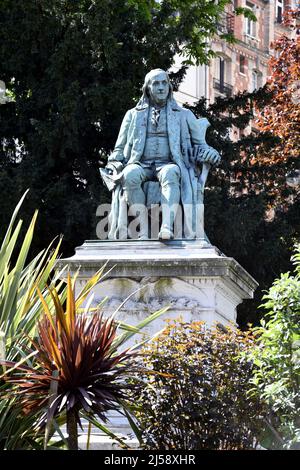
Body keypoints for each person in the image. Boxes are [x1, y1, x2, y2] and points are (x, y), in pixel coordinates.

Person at [101, 68, 220, 240]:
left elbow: (201, 146)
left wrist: (211, 154)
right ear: (147, 88)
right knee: (129, 175)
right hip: (140, 164)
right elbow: (119, 149)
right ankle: (142, 230)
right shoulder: (133, 115)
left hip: (169, 164)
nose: (161, 87)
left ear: (170, 87)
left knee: (171, 173)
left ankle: (166, 227)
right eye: (156, 83)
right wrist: (112, 165)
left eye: (164, 83)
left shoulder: (184, 115)